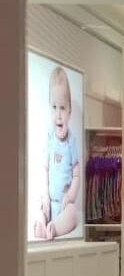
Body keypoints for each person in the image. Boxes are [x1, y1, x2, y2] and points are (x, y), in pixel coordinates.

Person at [34, 66, 80, 240]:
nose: (58, 114)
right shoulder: (49, 138)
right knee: (40, 207)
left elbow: (76, 175)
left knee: (73, 214)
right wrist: (45, 195)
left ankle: (54, 228)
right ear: (49, 108)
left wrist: (70, 195)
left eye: (62, 107)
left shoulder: (72, 142)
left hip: (63, 204)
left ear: (69, 111)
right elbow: (44, 169)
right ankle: (41, 223)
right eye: (54, 107)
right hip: (50, 201)